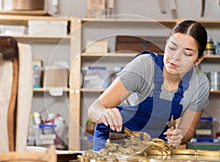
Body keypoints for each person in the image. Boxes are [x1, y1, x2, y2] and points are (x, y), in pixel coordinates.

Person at [88, 20, 210, 151]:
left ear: (199, 59)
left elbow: (188, 130)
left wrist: (179, 136)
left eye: (187, 53)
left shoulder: (200, 84)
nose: (175, 57)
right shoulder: (144, 66)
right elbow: (95, 108)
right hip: (114, 137)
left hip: (154, 143)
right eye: (172, 47)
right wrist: (104, 114)